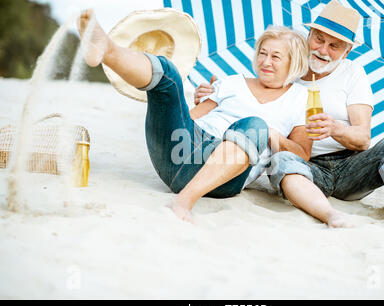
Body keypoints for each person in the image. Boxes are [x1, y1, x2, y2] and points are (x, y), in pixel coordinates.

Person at [194, 1, 384, 233]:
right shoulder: (286, 67)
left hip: (352, 167)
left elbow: (363, 138)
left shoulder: (353, 74)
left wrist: (335, 129)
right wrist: (216, 95)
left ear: (347, 51)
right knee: (281, 160)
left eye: (334, 45)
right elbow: (250, 97)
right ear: (308, 35)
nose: (323, 50)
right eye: (319, 39)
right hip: (304, 167)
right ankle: (329, 214)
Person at [77, 9, 312, 223]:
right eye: (262, 53)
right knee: (169, 73)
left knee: (255, 126)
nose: (265, 62)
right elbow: (190, 118)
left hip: (226, 177)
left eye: (276, 57)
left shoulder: (301, 99)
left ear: (294, 62)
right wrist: (179, 103)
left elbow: (303, 154)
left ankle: (184, 201)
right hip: (181, 151)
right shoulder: (232, 82)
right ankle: (107, 50)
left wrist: (274, 137)